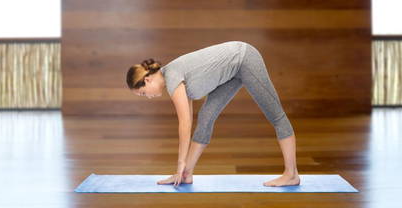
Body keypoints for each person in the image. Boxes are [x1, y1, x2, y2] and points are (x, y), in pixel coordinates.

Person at [126, 41, 300, 187]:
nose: (147, 97)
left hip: (244, 58)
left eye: (143, 93)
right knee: (206, 118)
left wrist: (179, 164)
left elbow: (185, 125)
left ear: (147, 80)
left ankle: (291, 174)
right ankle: (187, 174)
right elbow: (191, 119)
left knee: (276, 115)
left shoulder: (171, 78)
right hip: (233, 72)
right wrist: (182, 169)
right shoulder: (173, 78)